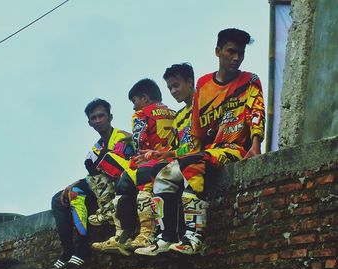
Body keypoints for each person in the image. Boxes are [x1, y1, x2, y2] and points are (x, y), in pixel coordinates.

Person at [142, 28, 265, 256]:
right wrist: (173, 156)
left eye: (241, 53)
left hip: (235, 149)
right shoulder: (204, 85)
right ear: (218, 51)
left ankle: (194, 237)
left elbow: (256, 112)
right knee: (163, 176)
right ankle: (165, 238)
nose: (236, 58)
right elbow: (196, 130)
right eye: (231, 52)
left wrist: (256, 144)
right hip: (206, 152)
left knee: (192, 164)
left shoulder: (250, 80)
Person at [92, 78, 176, 255]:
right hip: (171, 161)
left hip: (149, 162)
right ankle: (131, 235)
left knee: (125, 186)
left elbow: (139, 141)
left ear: (144, 98)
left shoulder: (141, 114)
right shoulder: (173, 113)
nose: (134, 107)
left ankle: (137, 234)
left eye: (134, 101)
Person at [49, 98, 131, 269]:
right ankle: (68, 250)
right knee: (58, 198)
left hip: (122, 185)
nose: (98, 120)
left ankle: (82, 247)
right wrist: (77, 182)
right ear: (89, 123)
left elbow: (118, 169)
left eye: (101, 116)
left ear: (110, 116)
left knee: (75, 193)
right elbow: (94, 175)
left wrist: (81, 182)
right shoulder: (95, 149)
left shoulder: (122, 137)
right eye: (94, 118)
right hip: (100, 186)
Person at [134, 63, 200, 256]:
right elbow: (174, 147)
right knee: (160, 173)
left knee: (176, 169)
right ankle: (167, 236)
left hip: (203, 158)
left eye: (176, 85)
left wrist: (170, 154)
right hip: (183, 160)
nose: (172, 91)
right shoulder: (178, 117)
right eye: (169, 87)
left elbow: (201, 141)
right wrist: (158, 153)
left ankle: (193, 237)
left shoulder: (203, 106)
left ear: (190, 82)